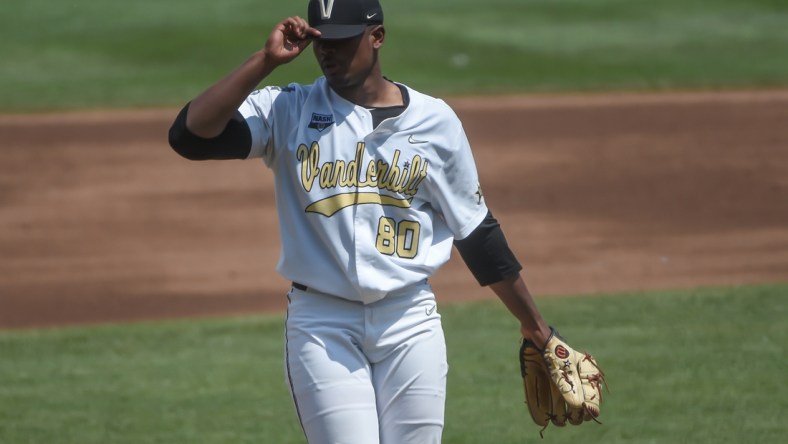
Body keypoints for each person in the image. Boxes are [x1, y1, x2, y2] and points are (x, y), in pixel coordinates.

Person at [168, 0, 557, 442]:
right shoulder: (288, 109)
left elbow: (477, 233)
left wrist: (536, 327)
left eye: (342, 41)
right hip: (321, 324)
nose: (328, 52)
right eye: (320, 41)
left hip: (410, 320)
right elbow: (189, 137)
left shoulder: (434, 121)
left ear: (377, 37)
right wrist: (265, 62)